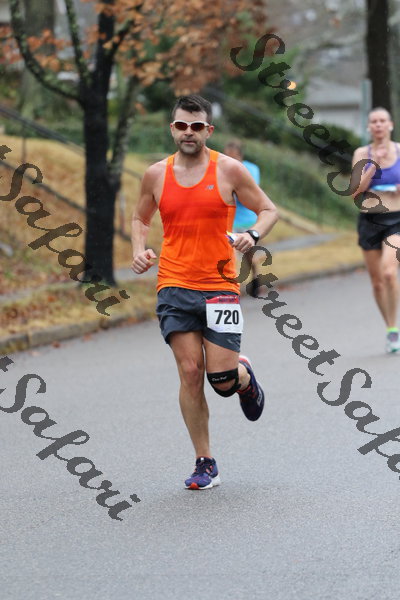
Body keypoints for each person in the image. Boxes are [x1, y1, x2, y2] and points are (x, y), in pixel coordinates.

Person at [131, 94, 278, 489]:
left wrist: (252, 235)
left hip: (219, 286)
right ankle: (204, 461)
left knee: (222, 381)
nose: (188, 132)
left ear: (208, 130)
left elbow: (269, 210)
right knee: (190, 371)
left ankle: (243, 377)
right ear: (172, 128)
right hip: (174, 284)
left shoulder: (229, 170)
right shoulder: (155, 175)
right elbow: (140, 217)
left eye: (196, 126)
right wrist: (138, 250)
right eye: (182, 125)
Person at [352, 106, 400, 353]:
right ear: (369, 127)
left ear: (390, 125)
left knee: (389, 272)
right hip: (369, 219)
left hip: (396, 219)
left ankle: (394, 330)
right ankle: (390, 327)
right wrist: (374, 166)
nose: (379, 125)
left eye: (382, 120)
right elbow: (355, 191)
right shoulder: (362, 153)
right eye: (374, 121)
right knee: (378, 282)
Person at [224, 139, 262, 297]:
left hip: (249, 221)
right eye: (227, 156)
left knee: (249, 256)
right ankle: (231, 289)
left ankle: (256, 279)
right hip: (231, 221)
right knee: (231, 255)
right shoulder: (224, 169)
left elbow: (249, 194)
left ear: (240, 156)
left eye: (232, 157)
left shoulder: (251, 169)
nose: (229, 160)